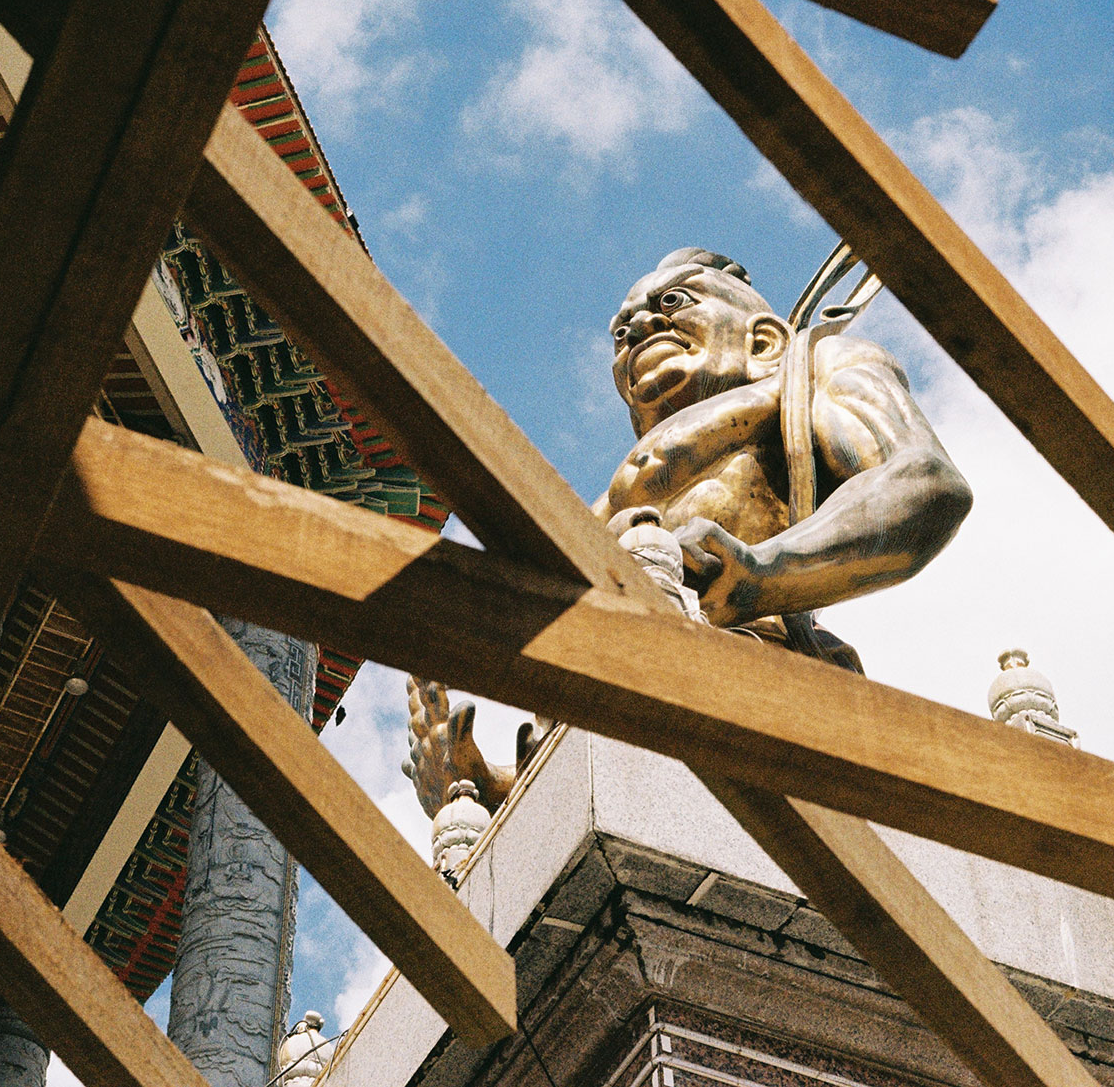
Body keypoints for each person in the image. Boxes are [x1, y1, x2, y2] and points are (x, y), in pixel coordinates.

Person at [407, 247, 972, 816]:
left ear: (762, 343)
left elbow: (923, 483)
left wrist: (760, 573)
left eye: (672, 303)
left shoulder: (811, 372)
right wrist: (484, 784)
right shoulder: (609, 505)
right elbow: (596, 699)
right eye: (622, 333)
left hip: (766, 675)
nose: (640, 329)